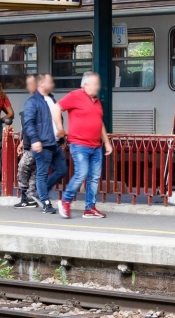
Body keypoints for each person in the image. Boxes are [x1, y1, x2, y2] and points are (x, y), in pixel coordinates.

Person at [57, 72, 113, 219]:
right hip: (79, 144)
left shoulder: (97, 101)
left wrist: (106, 142)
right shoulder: (75, 95)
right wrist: (60, 128)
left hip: (96, 145)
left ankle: (90, 208)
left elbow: (99, 123)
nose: (98, 87)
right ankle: (65, 201)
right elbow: (56, 107)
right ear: (86, 84)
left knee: (94, 177)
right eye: (95, 84)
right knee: (82, 173)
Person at [22, 73, 68, 215]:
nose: (52, 84)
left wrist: (61, 138)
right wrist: (35, 140)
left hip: (54, 143)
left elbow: (56, 120)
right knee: (42, 174)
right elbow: (28, 123)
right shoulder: (32, 102)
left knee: (62, 170)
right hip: (42, 143)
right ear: (41, 84)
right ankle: (46, 203)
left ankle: (38, 194)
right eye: (50, 81)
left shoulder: (52, 99)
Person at [13, 73, 41, 208]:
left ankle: (27, 196)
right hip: (31, 143)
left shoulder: (40, 103)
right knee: (32, 171)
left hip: (36, 144)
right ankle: (28, 198)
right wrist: (22, 142)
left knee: (23, 168)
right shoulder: (33, 102)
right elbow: (26, 127)